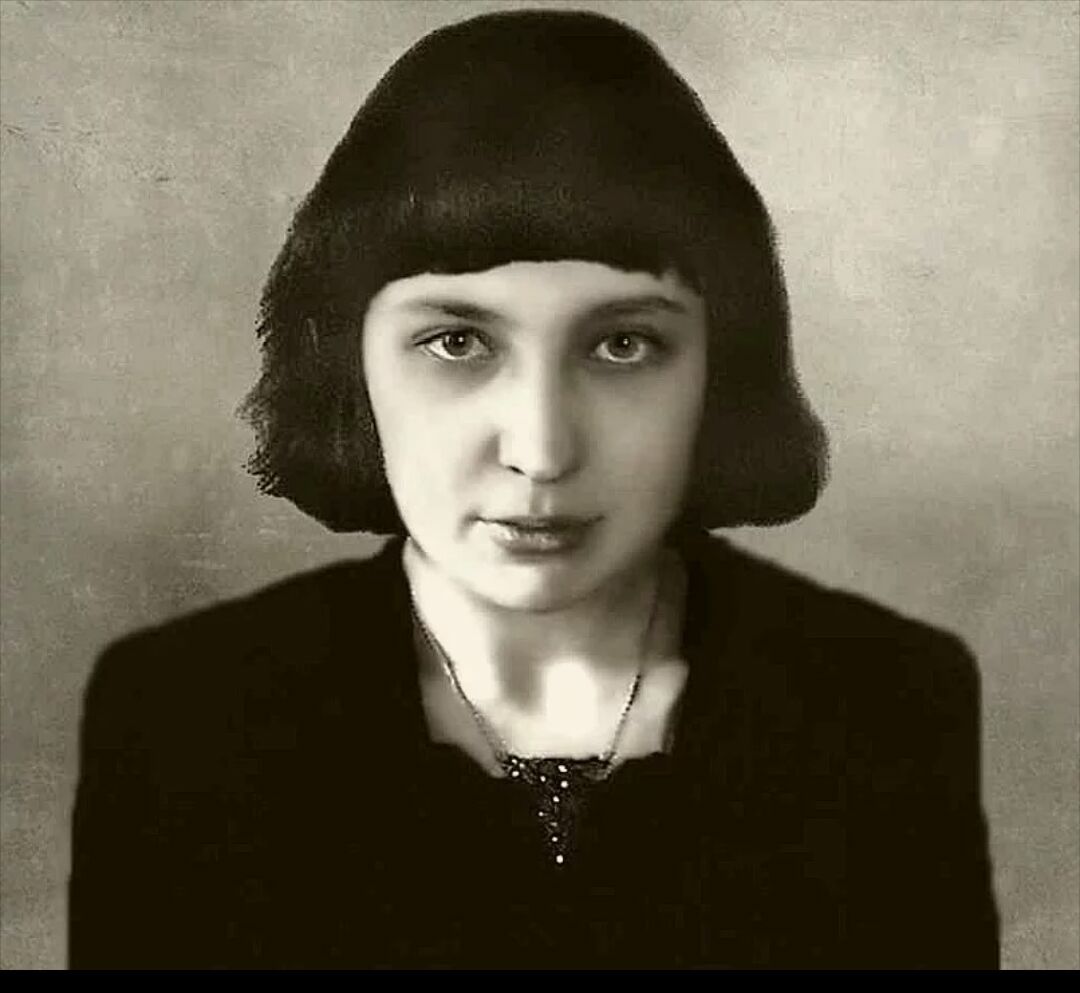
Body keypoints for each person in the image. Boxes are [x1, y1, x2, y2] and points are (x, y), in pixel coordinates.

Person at [68, 10, 1000, 969]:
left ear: (719, 369)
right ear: (350, 361)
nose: (543, 451)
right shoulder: (182, 720)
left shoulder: (888, 707)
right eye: (457, 342)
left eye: (623, 344)